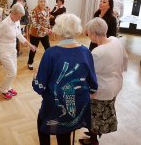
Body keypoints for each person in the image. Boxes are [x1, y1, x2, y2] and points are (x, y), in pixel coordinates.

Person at [32, 14, 98, 145]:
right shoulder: (86, 51)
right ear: (78, 29)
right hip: (79, 105)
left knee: (43, 124)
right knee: (64, 131)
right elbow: (93, 86)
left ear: (58, 29)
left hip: (56, 103)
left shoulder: (51, 52)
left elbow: (39, 88)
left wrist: (35, 76)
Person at [80, 17, 128, 145]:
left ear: (94, 34)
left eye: (89, 34)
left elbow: (89, 74)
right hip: (115, 84)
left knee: (96, 115)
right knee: (102, 112)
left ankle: (93, 140)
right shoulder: (115, 40)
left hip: (103, 89)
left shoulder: (97, 52)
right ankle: (92, 132)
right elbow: (125, 58)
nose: (89, 37)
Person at [0, 3, 37, 99]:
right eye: (19, 16)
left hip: (12, 49)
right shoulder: (5, 24)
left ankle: (8, 87)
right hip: (3, 50)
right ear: (12, 13)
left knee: (14, 71)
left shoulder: (16, 22)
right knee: (12, 73)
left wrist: (30, 45)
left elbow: (19, 35)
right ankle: (2, 90)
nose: (20, 19)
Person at [28, 0, 52, 70]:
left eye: (44, 1)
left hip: (44, 34)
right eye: (41, 1)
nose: (43, 3)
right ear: (38, 2)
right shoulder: (34, 10)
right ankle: (30, 62)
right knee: (33, 49)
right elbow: (34, 24)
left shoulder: (47, 9)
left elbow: (47, 20)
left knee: (48, 49)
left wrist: (48, 29)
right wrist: (43, 28)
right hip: (36, 34)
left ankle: (50, 63)